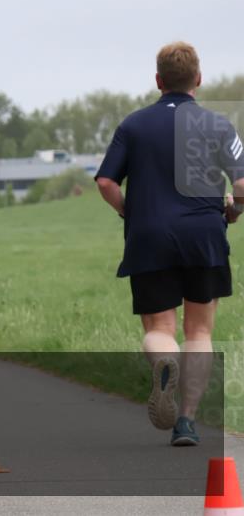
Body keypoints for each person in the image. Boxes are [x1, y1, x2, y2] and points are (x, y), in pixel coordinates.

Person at [95, 41, 243, 446]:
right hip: (205, 237)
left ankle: (164, 361)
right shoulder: (219, 125)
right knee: (199, 332)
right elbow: (243, 185)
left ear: (158, 80)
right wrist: (232, 212)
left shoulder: (133, 125)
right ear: (198, 79)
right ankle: (187, 421)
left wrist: (128, 212)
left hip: (150, 236)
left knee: (161, 327)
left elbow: (106, 181)